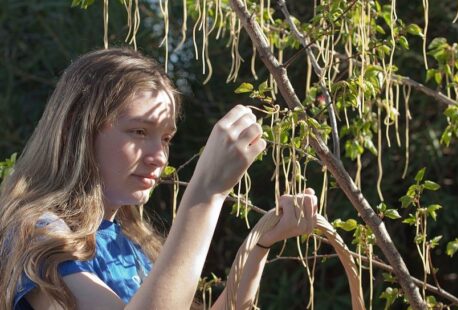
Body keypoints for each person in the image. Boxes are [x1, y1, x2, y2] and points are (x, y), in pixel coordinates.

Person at [0, 48, 318, 309]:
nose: (159, 157)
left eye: (166, 138)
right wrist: (206, 194)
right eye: (139, 132)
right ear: (77, 131)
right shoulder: (39, 233)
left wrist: (259, 244)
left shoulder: (129, 239)